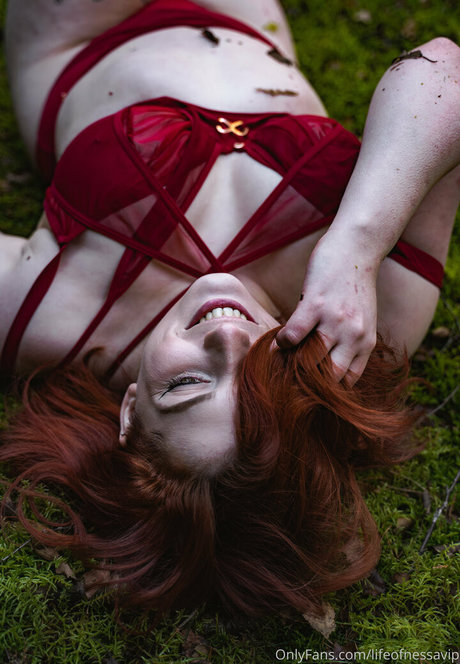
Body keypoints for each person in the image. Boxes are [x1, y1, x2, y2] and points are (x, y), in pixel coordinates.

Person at [0, 0, 459, 618]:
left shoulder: (54, 319)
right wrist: (359, 244)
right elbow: (445, 70)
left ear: (132, 412)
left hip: (82, 33)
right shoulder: (375, 321)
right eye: (260, 380)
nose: (227, 338)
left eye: (187, 384)